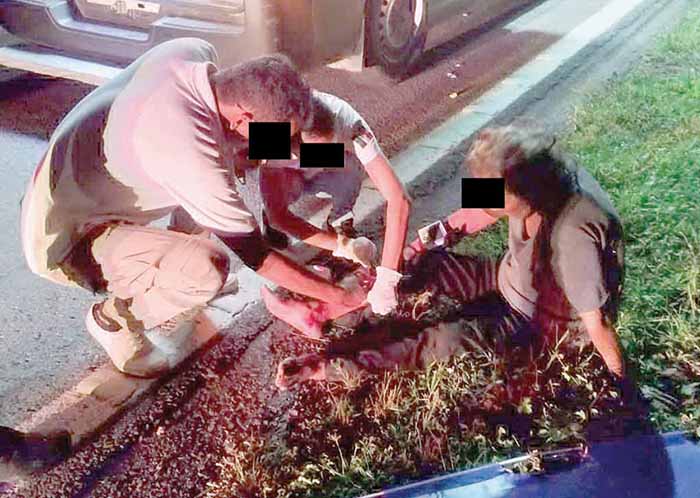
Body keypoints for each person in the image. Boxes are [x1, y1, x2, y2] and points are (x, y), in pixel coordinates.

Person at [19, 38, 365, 378]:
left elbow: (245, 146)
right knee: (208, 269)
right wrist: (340, 297)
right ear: (245, 117)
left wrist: (339, 155)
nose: (279, 144)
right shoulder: (189, 149)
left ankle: (172, 267)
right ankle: (114, 320)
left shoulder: (192, 52)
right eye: (278, 134)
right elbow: (256, 255)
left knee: (228, 175)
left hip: (76, 181)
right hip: (66, 236)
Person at [275, 124, 628, 389]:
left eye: (491, 189)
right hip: (510, 276)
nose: (481, 194)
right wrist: (418, 248)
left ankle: (324, 367)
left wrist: (621, 386)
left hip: (540, 319)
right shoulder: (538, 172)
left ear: (522, 192)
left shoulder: (573, 234)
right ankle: (332, 313)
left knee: (440, 340)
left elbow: (597, 325)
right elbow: (476, 212)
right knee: (415, 264)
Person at [258, 90, 412, 336]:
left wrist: (388, 278)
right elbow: (280, 216)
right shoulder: (270, 135)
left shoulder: (350, 123)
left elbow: (398, 198)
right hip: (289, 172)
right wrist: (342, 246)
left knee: (351, 163)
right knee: (275, 225)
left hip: (331, 158)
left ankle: (339, 220)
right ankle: (312, 306)